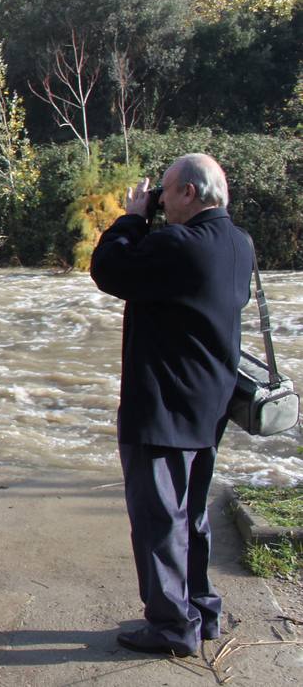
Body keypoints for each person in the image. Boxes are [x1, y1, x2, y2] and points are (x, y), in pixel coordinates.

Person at [90, 153, 252, 656]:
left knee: (160, 518)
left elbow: (109, 269)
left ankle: (169, 626)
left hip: (162, 405)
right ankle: (201, 609)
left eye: (164, 192)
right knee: (192, 514)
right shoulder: (238, 244)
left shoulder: (176, 243)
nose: (159, 201)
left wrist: (134, 217)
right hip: (210, 402)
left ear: (187, 193)